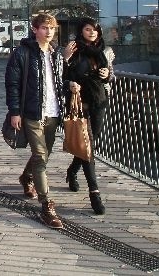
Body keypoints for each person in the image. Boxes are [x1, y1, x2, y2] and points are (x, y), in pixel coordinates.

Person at [5, 13, 66, 228]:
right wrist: (15, 112)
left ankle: (25, 177)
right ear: (34, 29)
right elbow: (12, 84)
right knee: (40, 157)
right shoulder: (22, 53)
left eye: (52, 28)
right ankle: (47, 205)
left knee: (44, 155)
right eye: (44, 28)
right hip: (32, 113)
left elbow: (60, 83)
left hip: (54, 113)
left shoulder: (56, 53)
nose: (48, 32)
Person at [62, 17, 115, 215]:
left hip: (99, 99)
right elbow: (61, 74)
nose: (92, 32)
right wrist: (66, 61)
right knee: (87, 143)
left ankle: (72, 170)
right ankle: (95, 192)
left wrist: (106, 75)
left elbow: (112, 75)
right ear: (81, 31)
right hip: (79, 100)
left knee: (92, 142)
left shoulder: (105, 51)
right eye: (88, 29)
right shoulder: (73, 48)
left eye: (95, 29)